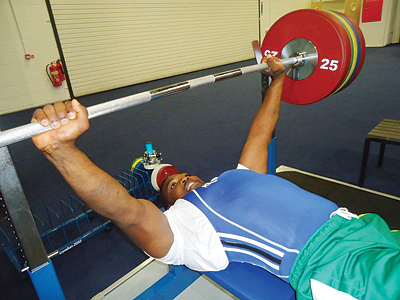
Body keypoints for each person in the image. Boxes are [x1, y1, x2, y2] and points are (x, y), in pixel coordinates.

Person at [32, 55, 399, 300]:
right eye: (172, 186)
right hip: (334, 266)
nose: (183, 180)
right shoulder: (183, 226)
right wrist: (61, 150)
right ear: (169, 205)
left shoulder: (236, 177)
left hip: (365, 227)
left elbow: (261, 132)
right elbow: (126, 211)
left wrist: (279, 77)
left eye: (181, 176)